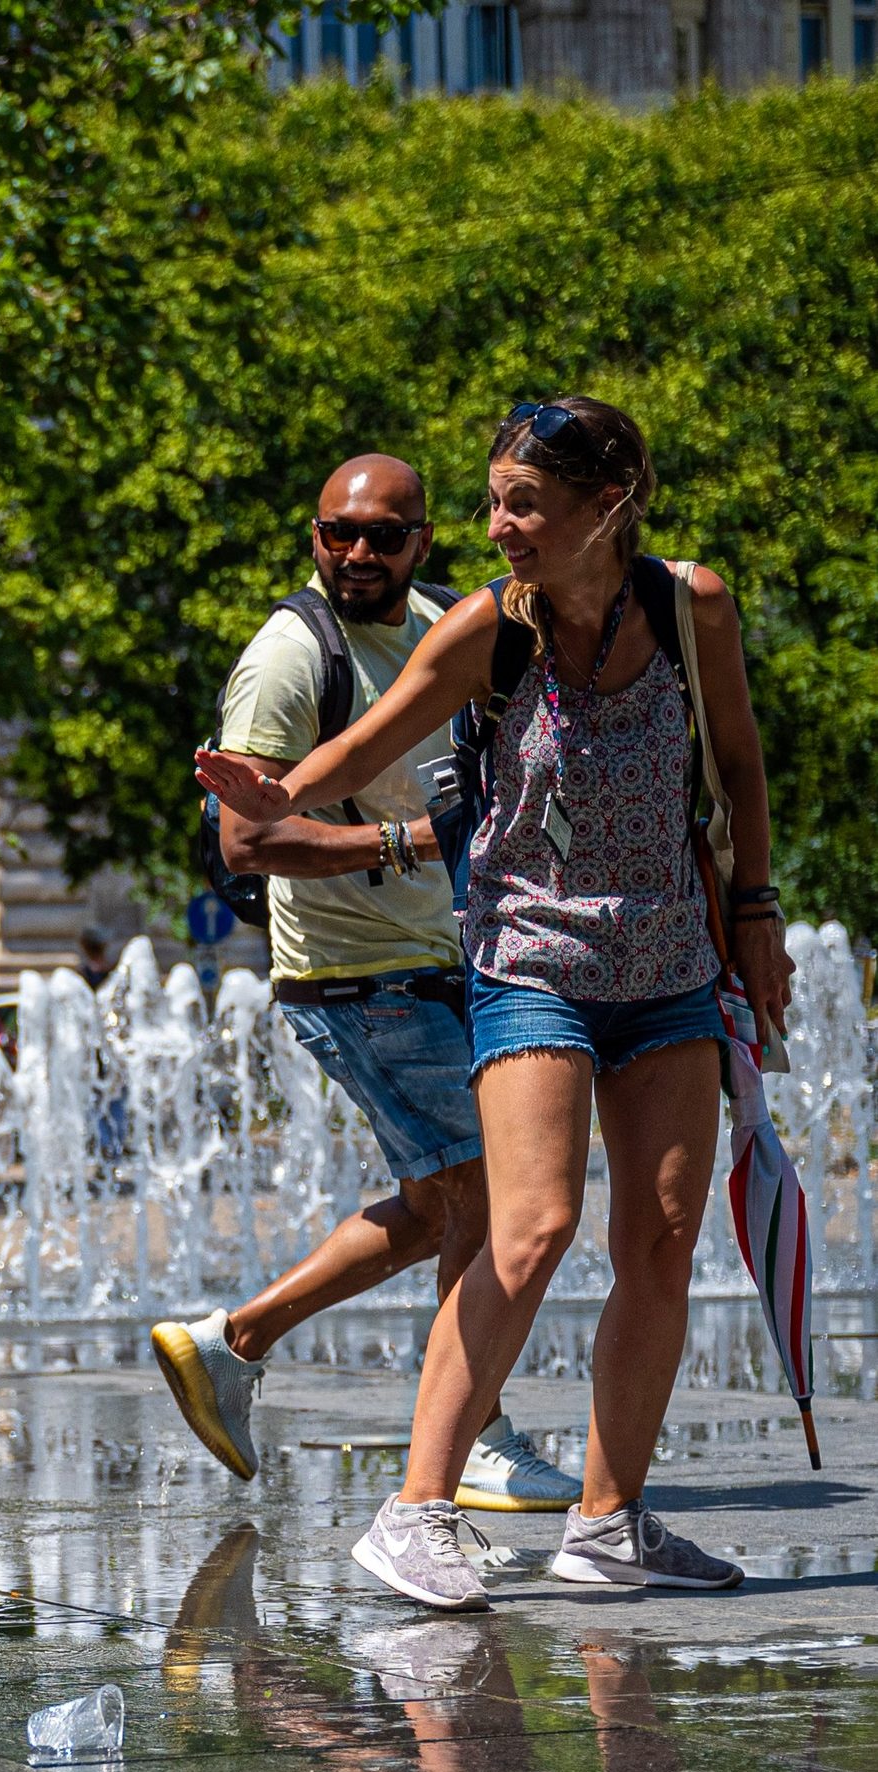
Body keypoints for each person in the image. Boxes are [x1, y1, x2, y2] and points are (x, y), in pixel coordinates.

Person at [200, 397, 788, 1609]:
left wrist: (759, 915)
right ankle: (417, 1511)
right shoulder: (485, 630)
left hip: (671, 968)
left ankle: (611, 1523)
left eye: (523, 502)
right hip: (532, 966)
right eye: (492, 500)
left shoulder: (691, 608)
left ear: (608, 505)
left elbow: (738, 762)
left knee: (666, 1237)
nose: (498, 525)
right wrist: (272, 790)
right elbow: (353, 753)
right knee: (528, 1227)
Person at [152, 455, 581, 1528]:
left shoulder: (447, 622)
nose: (357, 553)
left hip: (442, 959)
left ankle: (234, 1342)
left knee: (449, 1199)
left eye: (383, 536)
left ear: (422, 543)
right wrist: (398, 843)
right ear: (314, 537)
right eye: (338, 533)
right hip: (354, 977)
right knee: (489, 1198)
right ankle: (476, 1435)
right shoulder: (290, 657)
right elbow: (247, 839)